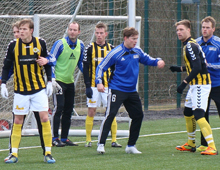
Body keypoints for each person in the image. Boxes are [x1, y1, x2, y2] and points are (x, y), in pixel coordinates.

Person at [96, 27, 165, 154]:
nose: (135, 42)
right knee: (110, 115)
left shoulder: (137, 51)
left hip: (131, 91)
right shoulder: (115, 52)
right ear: (125, 38)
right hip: (117, 89)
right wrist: (99, 82)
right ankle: (101, 144)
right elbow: (101, 67)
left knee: (138, 115)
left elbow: (147, 59)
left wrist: (158, 61)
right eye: (133, 39)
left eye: (136, 39)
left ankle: (131, 146)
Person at [1, 18, 55, 163]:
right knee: (18, 121)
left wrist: (49, 80)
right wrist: (3, 84)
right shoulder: (13, 45)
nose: (21, 32)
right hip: (20, 91)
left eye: (24, 29)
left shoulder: (40, 43)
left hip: (38, 90)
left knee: (44, 118)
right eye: (19, 30)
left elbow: (47, 62)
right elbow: (6, 66)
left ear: (31, 30)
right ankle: (14, 154)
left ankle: (48, 153)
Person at [170, 19, 217, 155]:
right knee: (188, 113)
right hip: (195, 85)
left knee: (198, 114)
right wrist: (179, 68)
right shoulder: (190, 45)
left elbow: (197, 67)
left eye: (181, 30)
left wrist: (183, 83)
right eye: (177, 30)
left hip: (200, 85)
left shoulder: (190, 45)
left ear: (188, 30)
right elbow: (197, 64)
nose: (179, 32)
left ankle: (212, 147)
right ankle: (191, 144)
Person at [83, 22, 122, 148]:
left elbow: (116, 68)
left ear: (106, 34)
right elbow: (85, 68)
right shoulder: (89, 48)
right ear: (95, 33)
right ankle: (88, 140)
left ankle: (114, 140)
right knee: (91, 111)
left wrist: (113, 84)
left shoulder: (111, 48)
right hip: (94, 86)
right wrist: (88, 86)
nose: (99, 35)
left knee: (111, 111)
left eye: (101, 33)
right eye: (97, 33)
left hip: (108, 86)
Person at [47, 21, 84, 147]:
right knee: (59, 108)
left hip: (70, 82)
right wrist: (52, 79)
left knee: (69, 110)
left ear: (79, 32)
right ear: (68, 30)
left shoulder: (81, 45)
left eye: (75, 30)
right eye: (70, 29)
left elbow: (80, 63)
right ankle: (54, 137)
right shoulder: (60, 44)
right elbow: (51, 60)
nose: (72, 32)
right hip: (59, 81)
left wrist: (89, 75)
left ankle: (64, 138)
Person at [195, 16, 220, 152]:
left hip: (217, 84)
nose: (204, 30)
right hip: (202, 85)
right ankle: (204, 144)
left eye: (207, 27)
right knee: (202, 114)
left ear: (213, 29)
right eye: (203, 27)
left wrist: (208, 65)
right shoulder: (196, 43)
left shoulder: (218, 43)